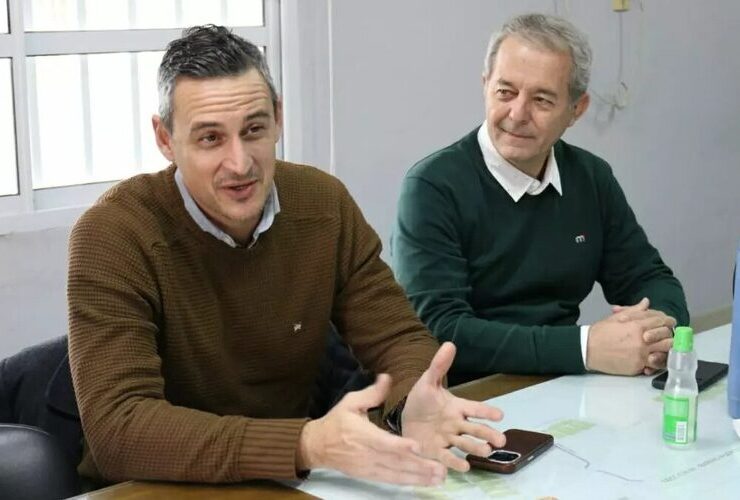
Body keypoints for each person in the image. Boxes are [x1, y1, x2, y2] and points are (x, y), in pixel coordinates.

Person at [67, 25, 505, 487]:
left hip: (281, 481)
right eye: (210, 139)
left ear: (278, 118)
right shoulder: (113, 234)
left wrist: (412, 397)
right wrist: (305, 443)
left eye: (254, 129)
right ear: (164, 138)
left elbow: (396, 335)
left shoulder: (322, 203)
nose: (240, 163)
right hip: (149, 488)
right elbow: (120, 429)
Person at [391, 13, 689, 386]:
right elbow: (442, 330)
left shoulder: (591, 177)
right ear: (485, 86)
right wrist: (585, 348)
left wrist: (659, 332)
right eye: (505, 92)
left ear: (576, 110)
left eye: (542, 100)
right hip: (471, 395)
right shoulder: (433, 186)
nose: (517, 114)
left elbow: (647, 277)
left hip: (565, 384)